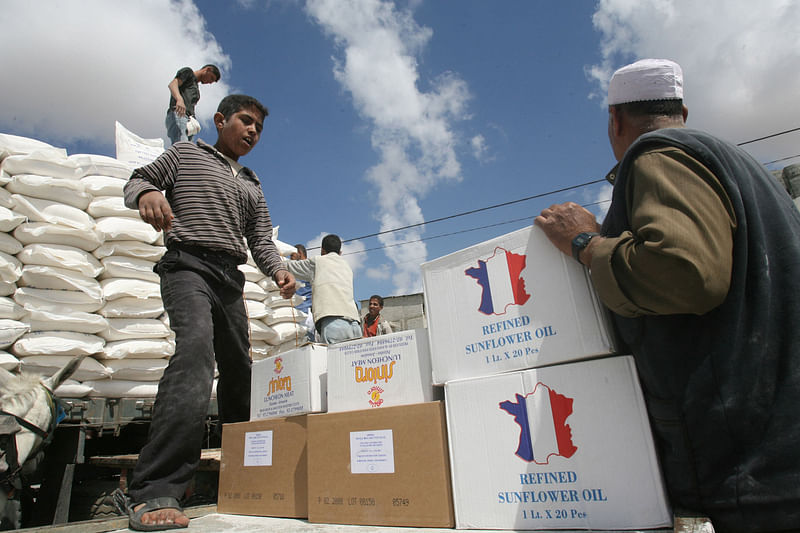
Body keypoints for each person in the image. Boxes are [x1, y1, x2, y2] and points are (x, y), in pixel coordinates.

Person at [534, 58, 800, 532]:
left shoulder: (658, 153)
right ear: (683, 109)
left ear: (615, 119)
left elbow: (686, 272)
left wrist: (585, 243)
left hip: (751, 459)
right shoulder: (742, 167)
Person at [123, 94, 296, 530]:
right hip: (187, 266)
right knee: (196, 354)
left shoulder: (253, 185)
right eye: (245, 121)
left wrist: (278, 271)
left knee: (241, 371)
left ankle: (243, 476)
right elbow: (139, 178)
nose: (253, 130)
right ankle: (156, 488)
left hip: (229, 279)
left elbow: (259, 241)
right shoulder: (187, 153)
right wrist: (146, 192)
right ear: (220, 120)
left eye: (259, 126)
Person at [284, 234, 361, 344]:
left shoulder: (318, 262)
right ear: (340, 252)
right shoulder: (347, 266)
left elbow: (290, 267)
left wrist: (270, 260)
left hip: (334, 324)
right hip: (355, 324)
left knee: (334, 360)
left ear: (322, 250)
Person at [165, 64, 221, 145]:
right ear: (207, 69)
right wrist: (179, 99)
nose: (209, 82)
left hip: (189, 121)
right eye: (211, 78)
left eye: (212, 82)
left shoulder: (196, 87)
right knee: (181, 146)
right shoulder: (188, 73)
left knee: (187, 149)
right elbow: (173, 84)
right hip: (179, 114)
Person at [290, 244, 316, 341]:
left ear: (299, 253)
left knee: (307, 341)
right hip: (297, 313)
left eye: (292, 256)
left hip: (306, 313)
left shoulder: (307, 267)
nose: (291, 259)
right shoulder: (298, 269)